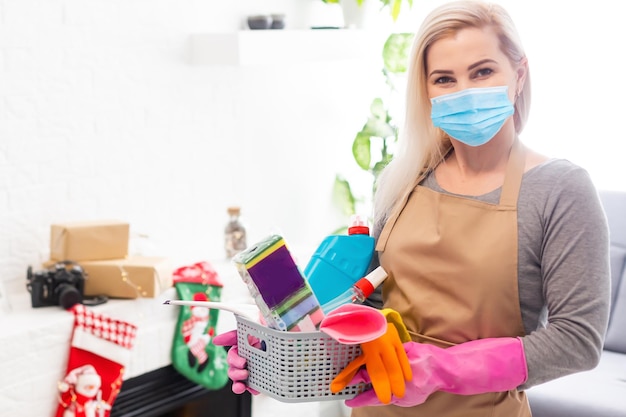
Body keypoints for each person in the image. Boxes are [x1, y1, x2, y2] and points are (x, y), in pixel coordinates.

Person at [214, 1, 611, 416]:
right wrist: (276, 348)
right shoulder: (400, 182)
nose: (465, 92)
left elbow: (577, 339)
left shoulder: (560, 189)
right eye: (444, 78)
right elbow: (366, 309)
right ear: (426, 91)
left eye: (483, 72)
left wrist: (441, 370)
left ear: (519, 75)